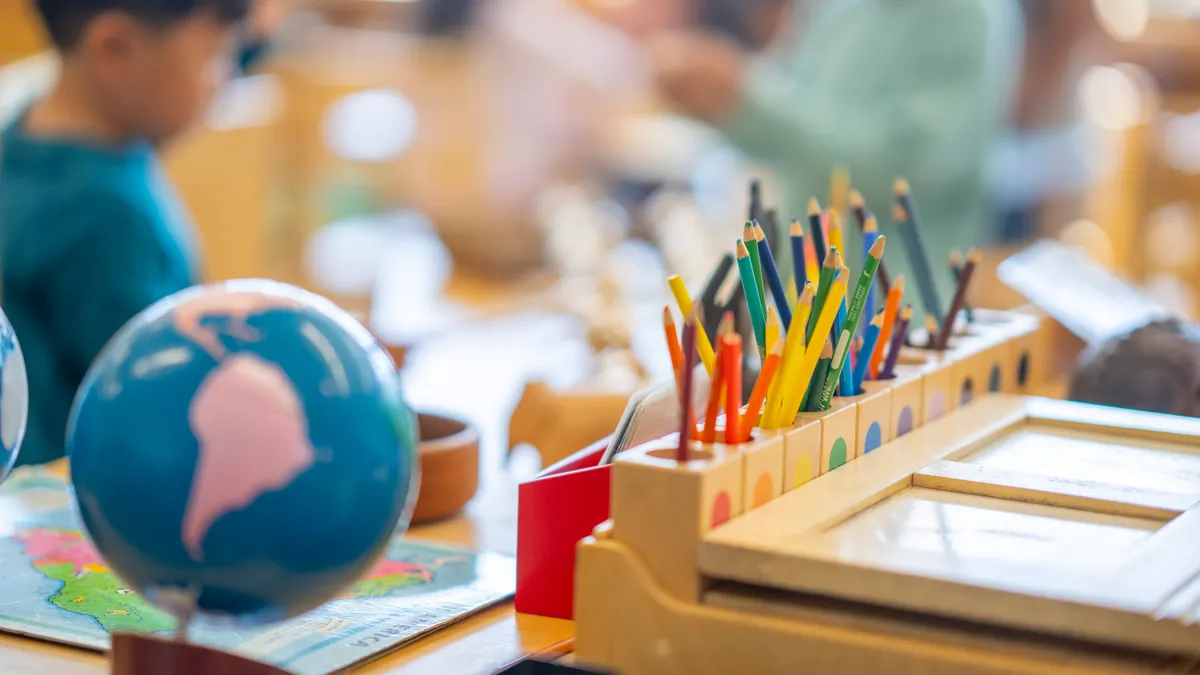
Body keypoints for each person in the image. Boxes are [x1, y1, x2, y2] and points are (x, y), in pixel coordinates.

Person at [0, 0, 251, 466]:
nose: (226, 78)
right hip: (71, 503)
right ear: (115, 49)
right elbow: (162, 405)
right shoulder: (105, 216)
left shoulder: (22, 137)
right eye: (217, 54)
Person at [650, 0, 1025, 297]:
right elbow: (787, 124)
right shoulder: (839, 10)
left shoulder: (966, 16)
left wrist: (743, 98)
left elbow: (900, 167)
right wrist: (720, 100)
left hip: (895, 317)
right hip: (799, 298)